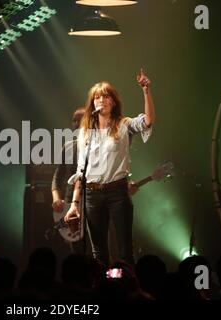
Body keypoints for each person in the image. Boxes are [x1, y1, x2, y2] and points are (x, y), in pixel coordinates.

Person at [64, 69, 156, 267]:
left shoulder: (124, 125)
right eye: (96, 97)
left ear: (113, 102)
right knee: (98, 251)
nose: (100, 100)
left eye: (105, 96)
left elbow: (148, 121)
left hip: (117, 192)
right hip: (92, 194)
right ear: (92, 103)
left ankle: (128, 290)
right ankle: (102, 290)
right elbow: (81, 171)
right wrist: (74, 203)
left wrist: (146, 91)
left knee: (125, 249)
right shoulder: (85, 133)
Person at [51, 108, 85, 252]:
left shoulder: (99, 146)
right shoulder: (68, 147)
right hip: (71, 202)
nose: (76, 123)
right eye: (74, 120)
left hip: (94, 201)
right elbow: (57, 178)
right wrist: (56, 199)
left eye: (80, 119)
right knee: (77, 250)